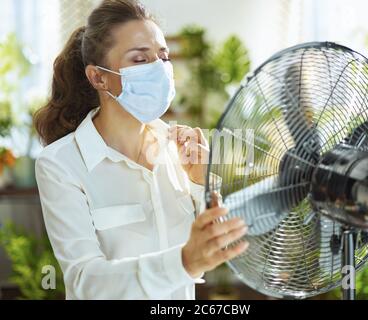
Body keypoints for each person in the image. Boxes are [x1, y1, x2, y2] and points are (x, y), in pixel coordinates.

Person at [33, 0, 249, 300]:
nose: (160, 69)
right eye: (140, 59)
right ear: (98, 77)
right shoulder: (60, 164)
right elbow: (85, 281)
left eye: (163, 56)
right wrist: (183, 262)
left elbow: (221, 248)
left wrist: (203, 183)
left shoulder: (180, 150)